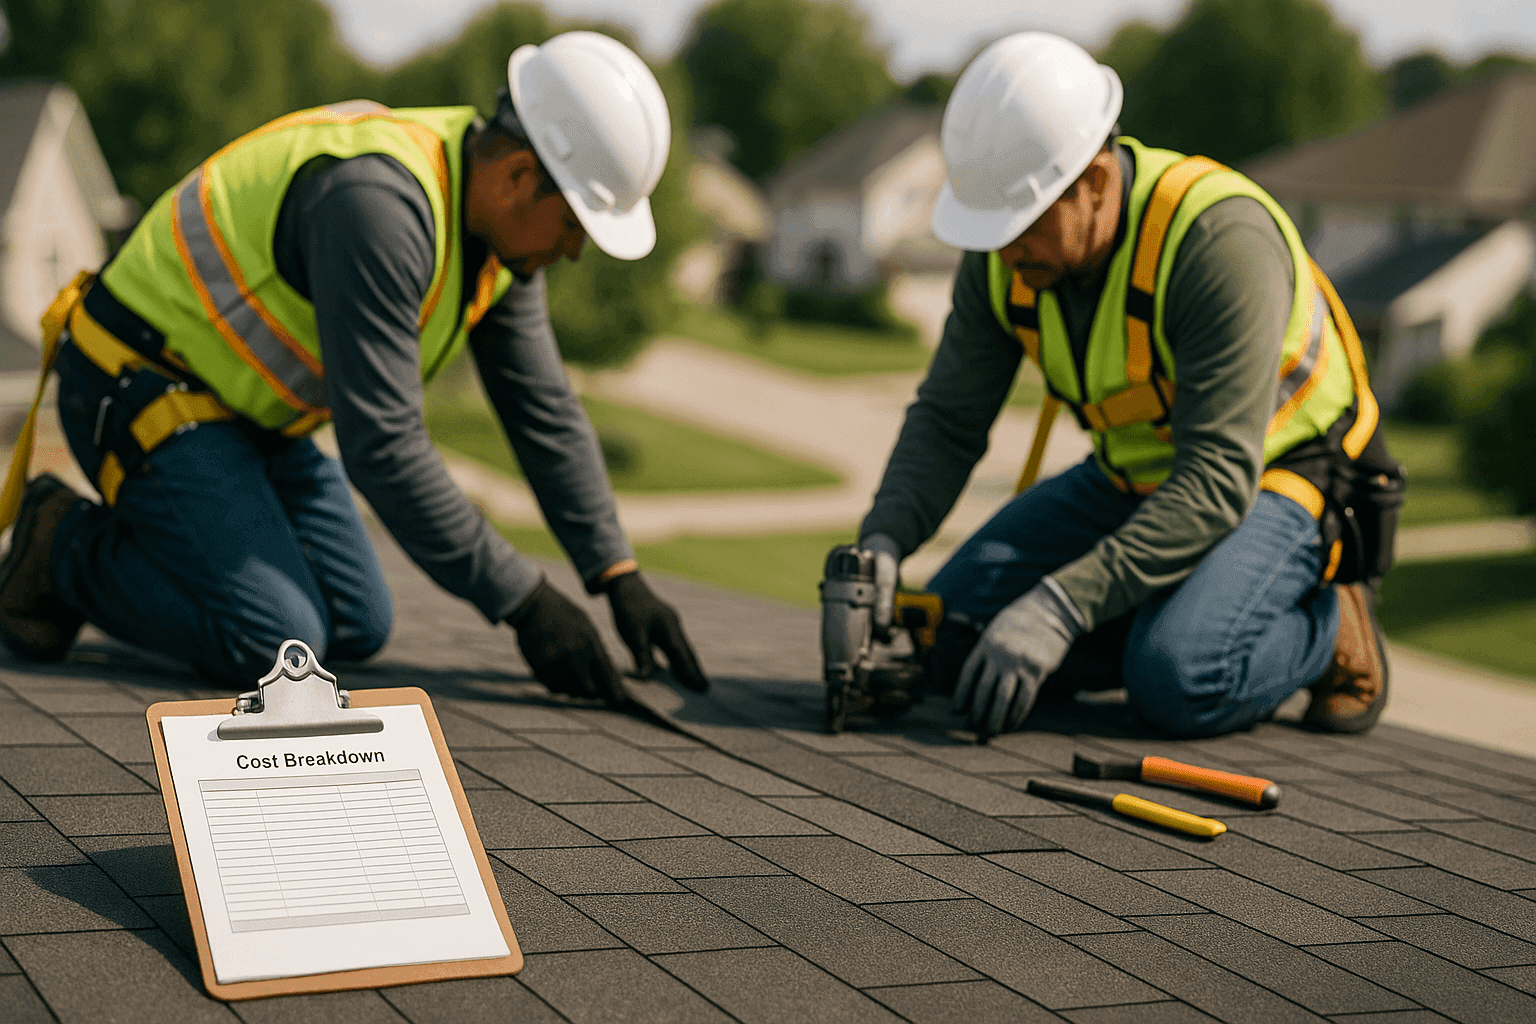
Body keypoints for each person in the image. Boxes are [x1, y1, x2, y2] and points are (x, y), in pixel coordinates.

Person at [0, 31, 708, 702]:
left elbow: (543, 410)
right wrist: (526, 602)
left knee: (358, 622)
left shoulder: (499, 244)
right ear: (521, 176)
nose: (576, 251)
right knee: (279, 643)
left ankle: (176, 544)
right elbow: (386, 450)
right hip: (134, 386)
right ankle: (60, 546)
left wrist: (616, 574)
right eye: (575, 227)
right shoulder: (379, 207)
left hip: (248, 418)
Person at [845, 32, 1400, 742]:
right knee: (948, 640)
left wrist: (1062, 606)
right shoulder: (1005, 258)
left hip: (1278, 474)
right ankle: (1158, 610)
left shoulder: (1217, 241)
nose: (1005, 254)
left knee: (1177, 677)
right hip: (1134, 477)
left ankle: (1329, 627)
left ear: (1097, 182)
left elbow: (1217, 479)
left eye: (1021, 225)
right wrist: (884, 541)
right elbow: (950, 419)